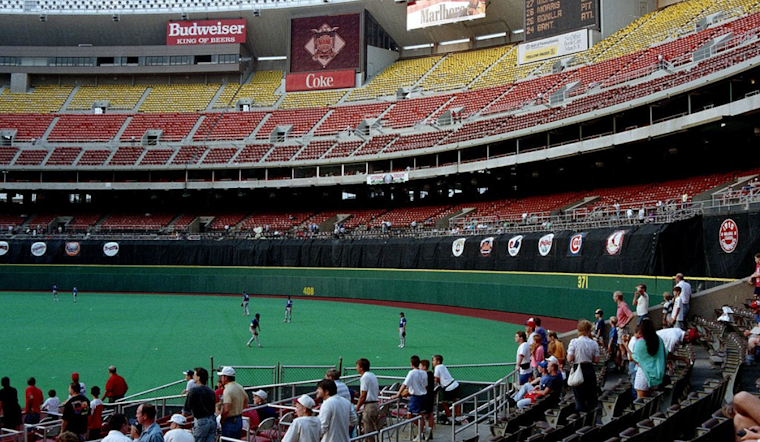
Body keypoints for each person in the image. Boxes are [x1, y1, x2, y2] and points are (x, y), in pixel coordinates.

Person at [566, 319, 600, 412]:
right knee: (590, 395)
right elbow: (596, 360)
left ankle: (581, 417)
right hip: (589, 369)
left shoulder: (574, 342)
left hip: (578, 368)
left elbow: (569, 358)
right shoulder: (594, 343)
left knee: (579, 397)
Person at [391, 356, 428, 440]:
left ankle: (421, 431)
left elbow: (405, 384)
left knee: (410, 416)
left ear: (411, 364)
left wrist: (398, 394)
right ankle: (421, 431)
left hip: (416, 397)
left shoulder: (412, 373)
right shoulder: (424, 373)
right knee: (420, 415)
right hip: (423, 396)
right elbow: (426, 386)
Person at [631, 319, 667, 398]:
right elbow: (665, 353)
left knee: (640, 401)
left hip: (643, 374)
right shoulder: (659, 340)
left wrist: (626, 345)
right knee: (649, 400)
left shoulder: (640, 343)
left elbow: (633, 358)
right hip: (656, 375)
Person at [181, 367, 216, 442]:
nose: (193, 376)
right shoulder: (211, 391)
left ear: (199, 378)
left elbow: (186, 410)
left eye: (195, 375)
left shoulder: (193, 391)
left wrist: (180, 420)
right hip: (212, 420)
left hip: (201, 421)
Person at [218, 366, 248, 439]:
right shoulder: (240, 387)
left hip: (229, 421)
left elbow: (226, 409)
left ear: (226, 377)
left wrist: (222, 419)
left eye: (222, 376)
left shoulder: (227, 390)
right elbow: (246, 401)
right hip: (239, 419)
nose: (221, 378)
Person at [355, 358, 380, 442]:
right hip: (375, 405)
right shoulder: (372, 375)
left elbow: (363, 395)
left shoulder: (364, 377)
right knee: (371, 430)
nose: (356, 368)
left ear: (361, 367)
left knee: (368, 432)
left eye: (357, 366)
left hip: (370, 406)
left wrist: (357, 407)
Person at [432, 355, 461, 425]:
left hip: (448, 388)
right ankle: (458, 418)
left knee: (444, 403)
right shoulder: (443, 366)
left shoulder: (438, 367)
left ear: (438, 361)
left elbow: (436, 378)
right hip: (455, 384)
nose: (433, 362)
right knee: (457, 401)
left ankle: (450, 419)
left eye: (434, 360)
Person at [614, 291, 634, 367]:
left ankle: (625, 363)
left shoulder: (623, 306)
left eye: (614, 296)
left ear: (617, 297)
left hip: (623, 330)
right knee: (620, 346)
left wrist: (624, 324)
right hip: (620, 328)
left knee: (623, 346)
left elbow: (631, 315)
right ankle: (621, 363)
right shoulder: (620, 306)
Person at [419, 359, 436, 439]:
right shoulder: (431, 374)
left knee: (422, 414)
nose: (419, 367)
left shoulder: (425, 374)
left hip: (426, 396)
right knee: (430, 413)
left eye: (420, 366)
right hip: (431, 395)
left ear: (424, 366)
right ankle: (430, 431)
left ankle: (423, 431)